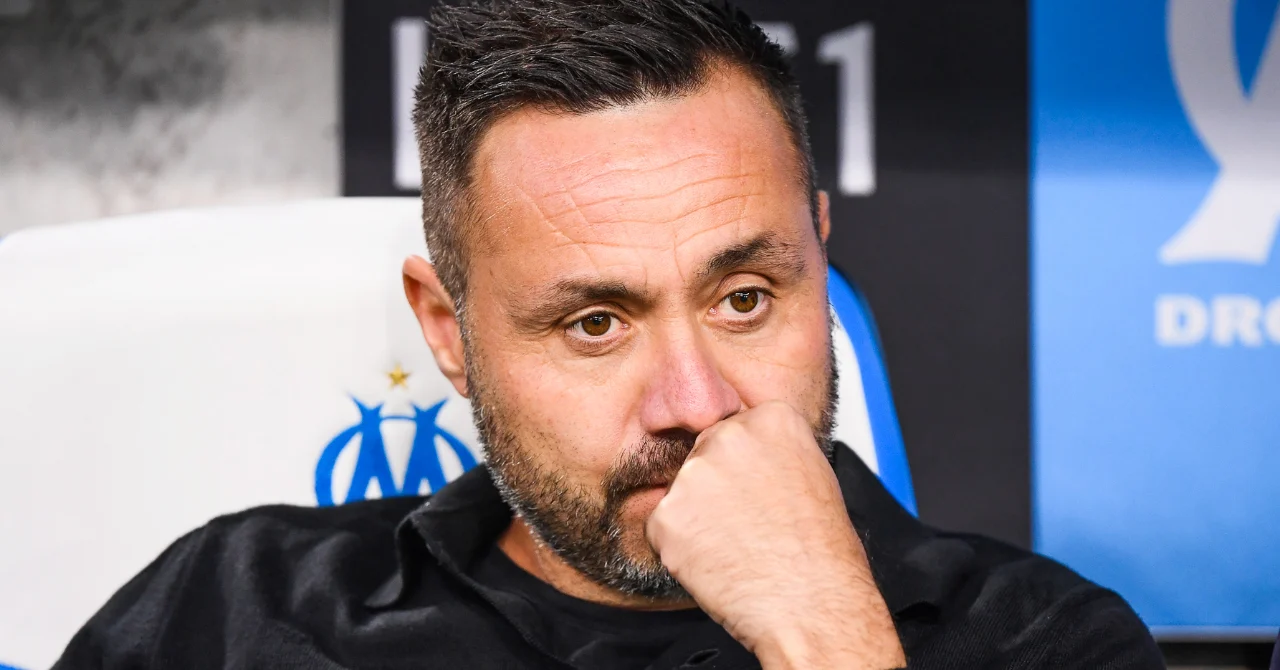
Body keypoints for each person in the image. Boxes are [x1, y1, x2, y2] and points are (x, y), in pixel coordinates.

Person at [53, 0, 1165, 668]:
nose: (695, 401)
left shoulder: (1041, 641)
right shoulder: (234, 609)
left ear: (819, 261)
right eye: (595, 323)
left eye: (744, 297)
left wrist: (825, 637)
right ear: (448, 329)